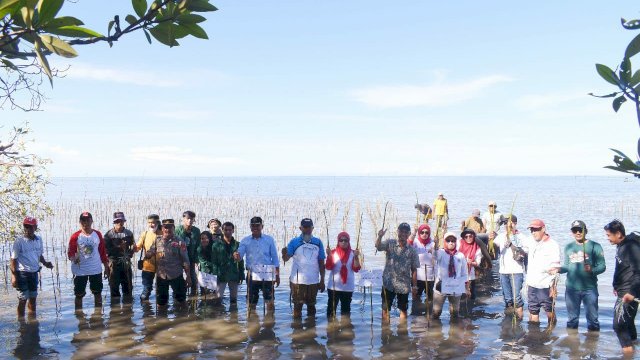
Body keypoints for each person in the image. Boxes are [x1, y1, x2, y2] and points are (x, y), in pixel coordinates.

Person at [550, 220, 605, 331]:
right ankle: (572, 344)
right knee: (572, 320)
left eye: (580, 230)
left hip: (590, 289)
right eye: (575, 230)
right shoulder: (568, 247)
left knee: (593, 320)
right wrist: (558, 269)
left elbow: (602, 266)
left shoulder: (595, 246)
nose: (578, 233)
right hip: (571, 289)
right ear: (572, 232)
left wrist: (592, 270)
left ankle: (592, 344)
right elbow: (567, 266)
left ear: (585, 231)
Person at [605, 219, 640, 355]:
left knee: (618, 325)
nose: (607, 238)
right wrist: (616, 285)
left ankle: (627, 355)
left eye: (609, 235)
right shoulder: (621, 245)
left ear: (618, 233)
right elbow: (622, 269)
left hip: (629, 293)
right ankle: (634, 348)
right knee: (628, 322)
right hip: (622, 291)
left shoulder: (631, 247)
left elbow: (638, 272)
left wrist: (631, 292)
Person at [233, 216, 280, 313]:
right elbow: (240, 256)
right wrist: (237, 256)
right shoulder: (245, 240)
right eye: (253, 225)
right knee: (251, 302)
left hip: (267, 274)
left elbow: (275, 257)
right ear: (250, 227)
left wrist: (277, 274)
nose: (255, 228)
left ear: (262, 226)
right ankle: (252, 322)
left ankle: (270, 322)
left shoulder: (269, 239)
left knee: (269, 301)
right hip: (252, 274)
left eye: (257, 226)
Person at [282, 218, 326, 318]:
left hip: (313, 281)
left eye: (309, 227)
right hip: (297, 282)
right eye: (305, 227)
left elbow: (321, 263)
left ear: (312, 228)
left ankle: (311, 330)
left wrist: (322, 280)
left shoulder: (318, 242)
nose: (307, 229)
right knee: (297, 308)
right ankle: (297, 331)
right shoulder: (294, 242)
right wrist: (284, 253)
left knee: (312, 308)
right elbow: (286, 259)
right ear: (300, 228)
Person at [375, 222, 419, 323]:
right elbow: (378, 247)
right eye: (401, 231)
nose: (403, 234)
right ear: (398, 232)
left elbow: (414, 270)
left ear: (409, 234)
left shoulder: (412, 251)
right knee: (385, 309)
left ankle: (402, 332)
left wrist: (415, 287)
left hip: (404, 285)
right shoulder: (390, 243)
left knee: (403, 310)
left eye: (406, 232)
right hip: (388, 283)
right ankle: (385, 332)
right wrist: (379, 237)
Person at [10, 217, 53, 317]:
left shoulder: (39, 240)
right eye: (26, 227)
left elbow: (39, 255)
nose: (28, 229)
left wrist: (46, 263)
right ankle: (21, 324)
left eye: (31, 227)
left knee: (33, 299)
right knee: (23, 299)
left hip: (34, 273)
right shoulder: (19, 241)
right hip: (22, 273)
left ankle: (32, 322)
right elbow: (13, 259)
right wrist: (13, 276)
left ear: (35, 227)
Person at [68, 212, 110, 310]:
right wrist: (74, 258)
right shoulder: (75, 236)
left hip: (95, 269)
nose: (85, 223)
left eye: (88, 220)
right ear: (80, 222)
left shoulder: (97, 234)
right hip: (80, 271)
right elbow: (70, 253)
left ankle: (98, 316)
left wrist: (106, 267)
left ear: (91, 221)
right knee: (79, 295)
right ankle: (79, 318)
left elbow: (102, 252)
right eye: (83, 220)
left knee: (98, 293)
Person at [147, 219, 191, 306]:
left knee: (181, 301)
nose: (168, 230)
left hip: (176, 275)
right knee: (161, 303)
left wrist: (188, 276)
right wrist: (148, 254)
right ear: (162, 229)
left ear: (174, 228)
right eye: (166, 227)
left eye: (170, 227)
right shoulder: (157, 240)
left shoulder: (180, 241)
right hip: (161, 276)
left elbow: (185, 260)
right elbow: (150, 252)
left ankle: (182, 317)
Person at [526, 219, 561, 324]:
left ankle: (552, 332)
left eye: (536, 230)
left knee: (549, 311)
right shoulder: (530, 241)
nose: (533, 232)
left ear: (543, 229)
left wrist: (553, 286)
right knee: (533, 312)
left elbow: (556, 268)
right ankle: (534, 336)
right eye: (531, 230)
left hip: (546, 285)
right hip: (532, 284)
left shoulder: (552, 245)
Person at [493, 215, 527, 320]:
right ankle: (508, 322)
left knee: (517, 298)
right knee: (508, 299)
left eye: (508, 222)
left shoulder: (522, 237)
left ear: (514, 223)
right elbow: (494, 251)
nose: (506, 225)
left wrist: (513, 244)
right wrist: (491, 240)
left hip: (516, 271)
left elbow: (525, 252)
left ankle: (519, 320)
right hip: (503, 271)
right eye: (504, 223)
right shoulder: (501, 236)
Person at [432, 232, 468, 319]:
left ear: (456, 242)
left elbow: (464, 272)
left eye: (453, 241)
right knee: (436, 312)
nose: (451, 243)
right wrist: (436, 244)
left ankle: (453, 331)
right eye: (448, 241)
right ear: (445, 242)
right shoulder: (441, 252)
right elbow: (435, 255)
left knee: (455, 312)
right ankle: (436, 330)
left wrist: (467, 288)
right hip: (441, 284)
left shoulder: (460, 255)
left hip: (456, 285)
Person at [325, 231, 361, 319]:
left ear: (349, 242)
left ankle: (346, 328)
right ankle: (331, 330)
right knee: (331, 312)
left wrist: (356, 257)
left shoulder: (353, 253)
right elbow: (329, 267)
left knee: (346, 312)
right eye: (341, 240)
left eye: (346, 240)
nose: (343, 242)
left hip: (348, 288)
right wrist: (329, 255)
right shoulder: (332, 252)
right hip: (333, 287)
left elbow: (356, 269)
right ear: (338, 241)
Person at [211, 222, 245, 306]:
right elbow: (214, 262)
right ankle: (219, 316)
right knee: (218, 299)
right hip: (221, 275)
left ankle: (234, 316)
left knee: (233, 300)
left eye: (230, 230)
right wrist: (215, 276)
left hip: (234, 274)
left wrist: (241, 275)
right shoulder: (216, 245)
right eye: (226, 230)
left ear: (233, 230)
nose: (228, 232)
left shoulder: (238, 244)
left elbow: (241, 261)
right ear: (222, 231)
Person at [103, 211, 135, 300]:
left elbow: (132, 247)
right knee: (114, 287)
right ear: (114, 223)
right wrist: (118, 247)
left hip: (126, 262)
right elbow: (106, 251)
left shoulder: (129, 233)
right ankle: (114, 308)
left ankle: (128, 309)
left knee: (128, 287)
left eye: (121, 221)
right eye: (117, 221)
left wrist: (131, 251)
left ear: (124, 221)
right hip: (113, 263)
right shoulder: (108, 235)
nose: (119, 223)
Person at [408, 224, 435, 313]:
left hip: (430, 276)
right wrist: (414, 232)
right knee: (416, 297)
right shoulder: (415, 242)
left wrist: (436, 248)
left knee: (431, 298)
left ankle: (429, 313)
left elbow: (438, 256)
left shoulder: (432, 243)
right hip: (418, 276)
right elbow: (408, 245)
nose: (424, 234)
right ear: (419, 233)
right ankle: (416, 313)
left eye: (426, 232)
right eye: (422, 232)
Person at [135, 214, 162, 300]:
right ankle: (145, 310)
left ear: (158, 223)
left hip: (161, 267)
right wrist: (131, 247)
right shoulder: (145, 234)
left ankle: (161, 310)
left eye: (153, 222)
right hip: (147, 266)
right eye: (149, 223)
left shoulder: (163, 233)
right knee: (146, 290)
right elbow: (137, 247)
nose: (151, 225)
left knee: (161, 291)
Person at [175, 210, 201, 296]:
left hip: (191, 258)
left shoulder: (196, 231)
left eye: (192, 219)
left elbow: (198, 246)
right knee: (178, 279)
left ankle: (193, 298)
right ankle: (179, 297)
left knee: (193, 279)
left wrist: (197, 260)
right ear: (183, 219)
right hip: (179, 259)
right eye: (188, 218)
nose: (190, 221)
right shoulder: (178, 230)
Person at [458, 229, 483, 300]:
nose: (468, 238)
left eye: (470, 236)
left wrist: (471, 262)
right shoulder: (459, 244)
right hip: (460, 274)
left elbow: (478, 262)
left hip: (470, 274)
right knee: (460, 294)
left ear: (473, 236)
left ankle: (472, 308)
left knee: (472, 294)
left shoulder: (477, 247)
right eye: (466, 237)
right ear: (464, 237)